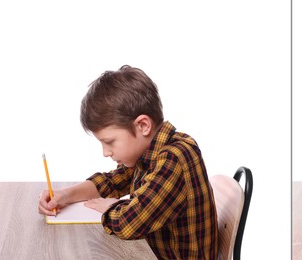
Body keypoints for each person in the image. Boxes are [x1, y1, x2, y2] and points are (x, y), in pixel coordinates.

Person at [38, 65, 218, 259]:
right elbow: (111, 182)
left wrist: (110, 207)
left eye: (109, 142)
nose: (105, 152)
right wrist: (64, 195)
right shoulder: (149, 153)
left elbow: (130, 223)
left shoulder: (175, 158)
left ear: (143, 126)